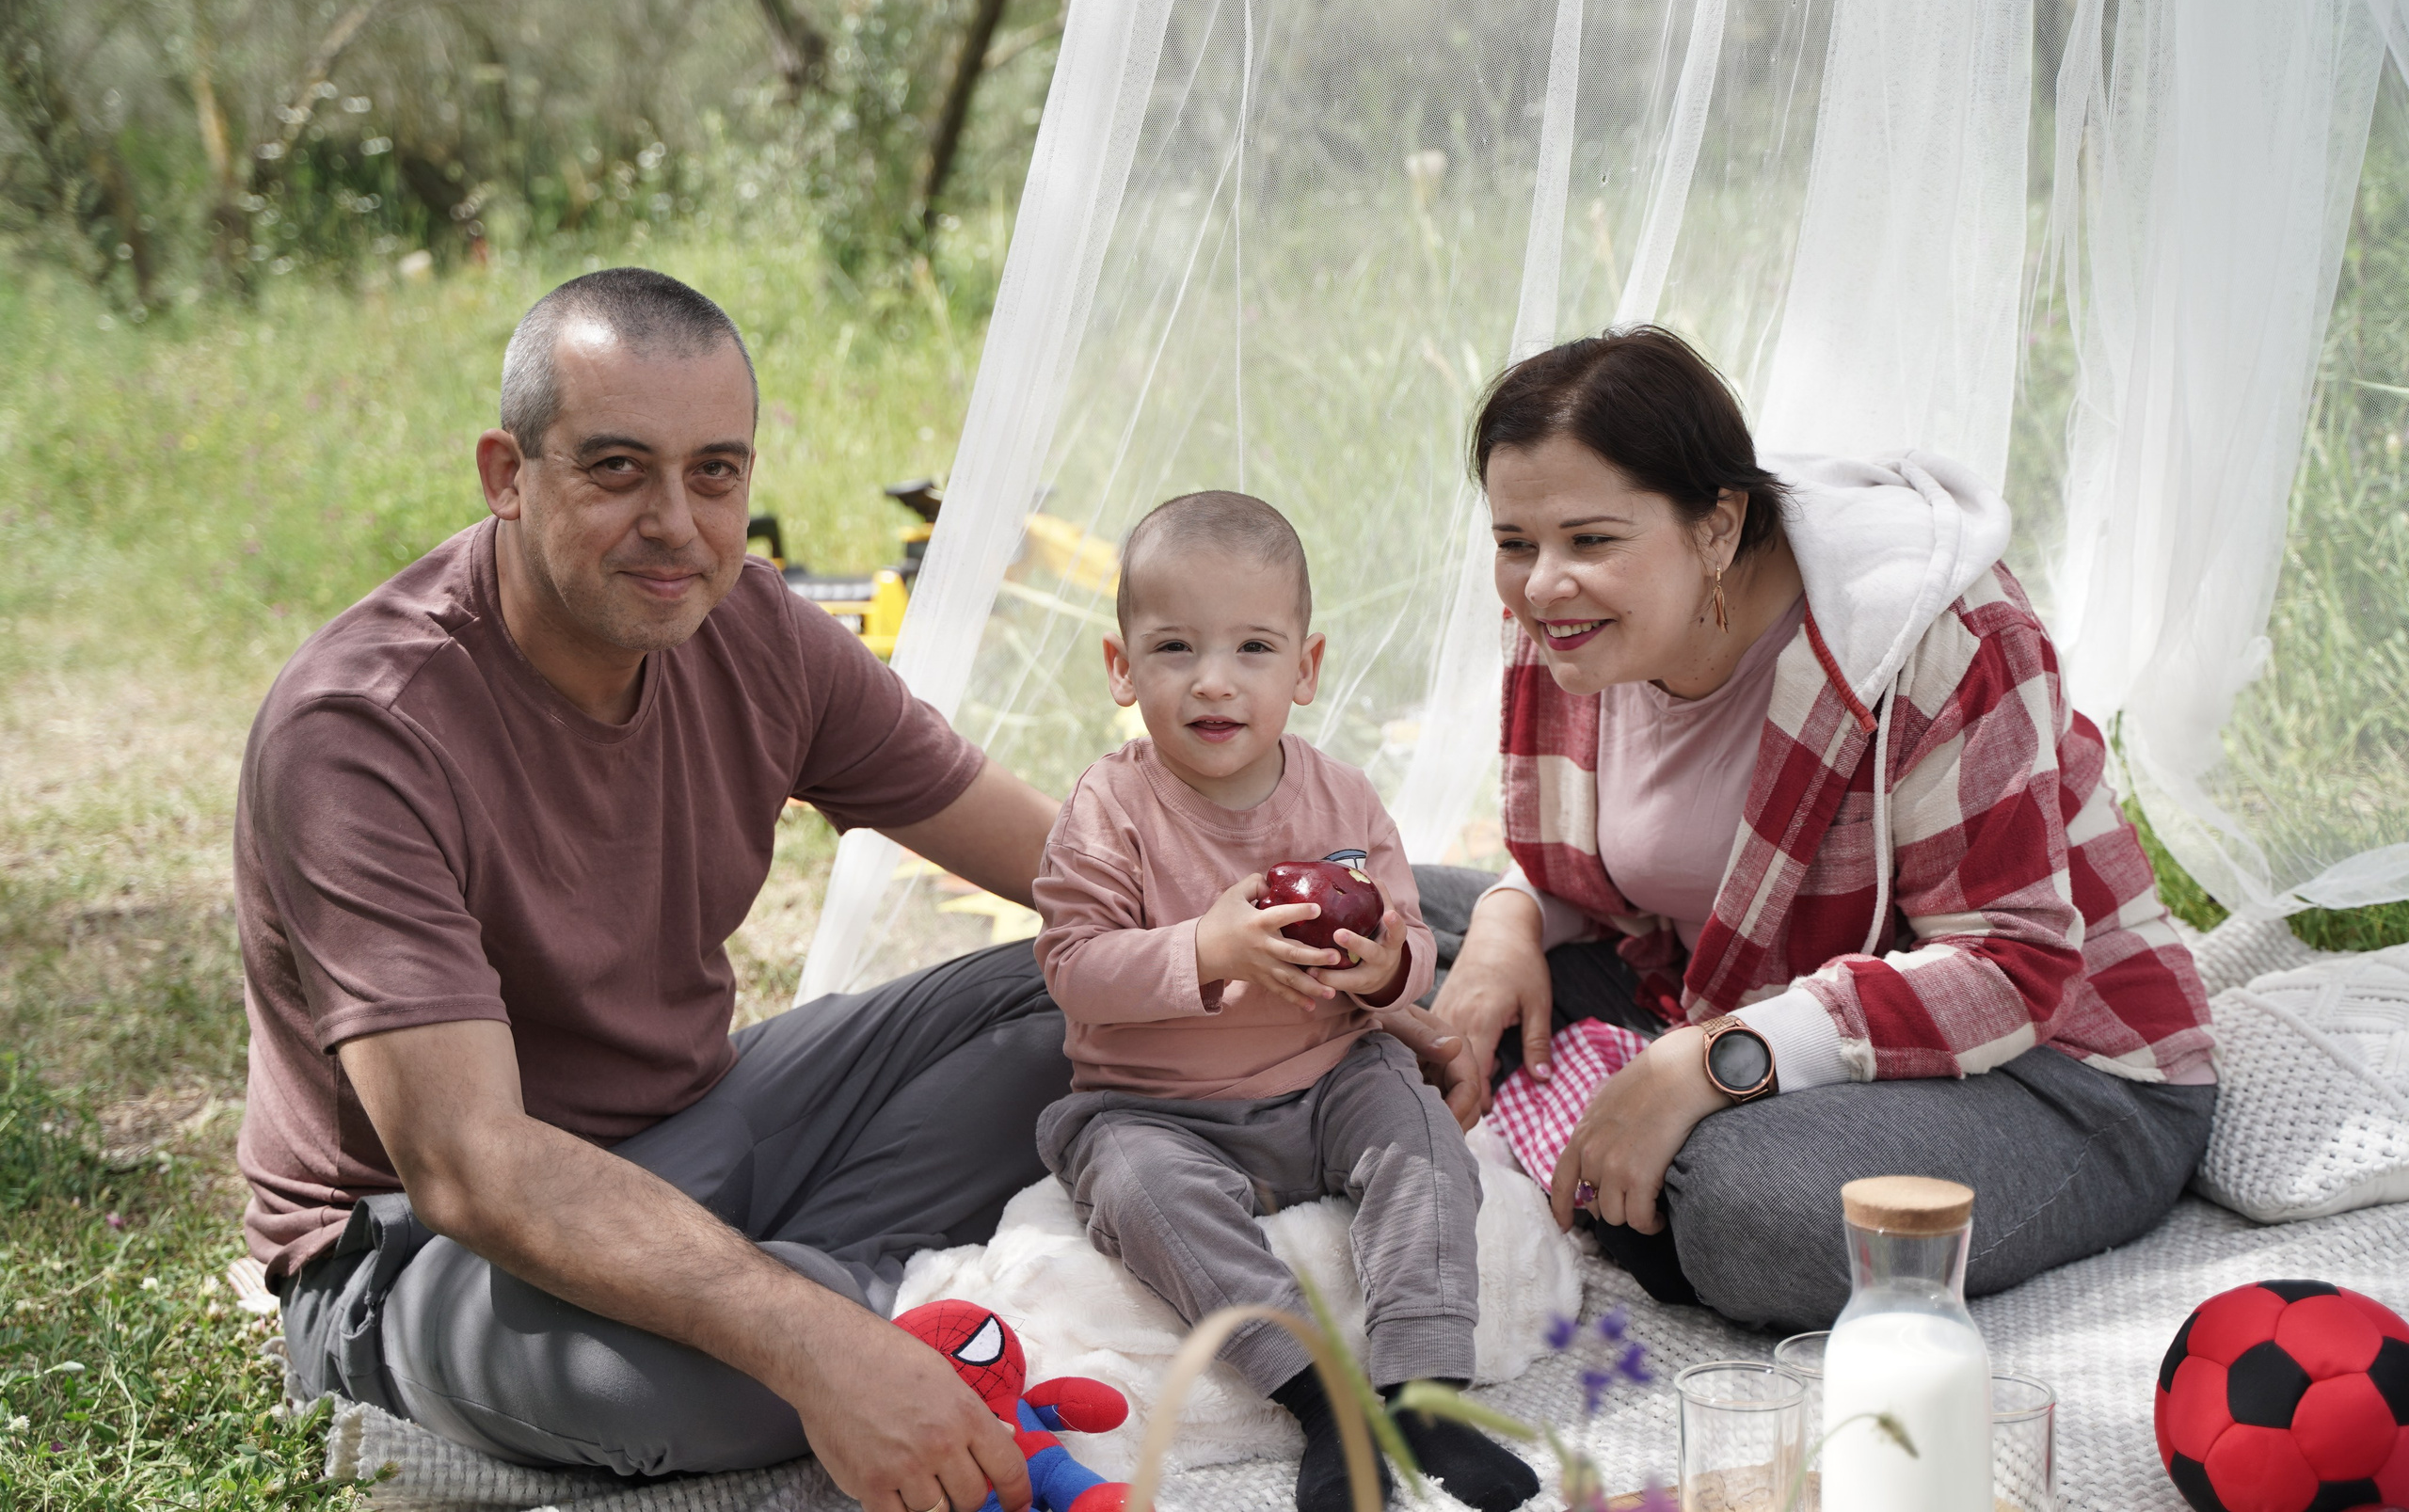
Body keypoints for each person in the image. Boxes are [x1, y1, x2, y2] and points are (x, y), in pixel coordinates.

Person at [237, 266, 1477, 1510]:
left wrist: (1374, 958)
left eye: (716, 471)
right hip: (428, 1252)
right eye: (619, 468)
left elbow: (1068, 877)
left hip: (716, 1116)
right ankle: (836, 1296)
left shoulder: (751, 629)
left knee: (1120, 986)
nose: (677, 521)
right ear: (509, 472)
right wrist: (817, 1344)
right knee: (743, 1377)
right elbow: (471, 1164)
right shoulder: (365, 728)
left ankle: (839, 1287)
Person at [1427, 326, 2219, 1332]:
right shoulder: (1578, 615)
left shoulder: (1939, 635)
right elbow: (1602, 867)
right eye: (1513, 543)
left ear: (1717, 527)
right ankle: (1598, 1130)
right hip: (1722, 985)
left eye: (1589, 540)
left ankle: (1596, 1132)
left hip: (2055, 1071)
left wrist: (1708, 1061)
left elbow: (2010, 967)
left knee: (1755, 1215)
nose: (1541, 583)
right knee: (1387, 934)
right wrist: (1508, 918)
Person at [1031, 493, 1540, 1512]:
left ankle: (1425, 1390)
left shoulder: (1339, 798)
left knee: (1427, 1146)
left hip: (1329, 1074)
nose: (1213, 680)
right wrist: (1203, 950)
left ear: (1304, 670)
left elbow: (1409, 953)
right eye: (1173, 647)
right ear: (1121, 669)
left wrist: (1378, 970)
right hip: (1157, 1105)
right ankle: (1322, 1403)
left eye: (1253, 648)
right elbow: (1071, 966)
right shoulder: (1111, 808)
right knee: (1138, 1192)